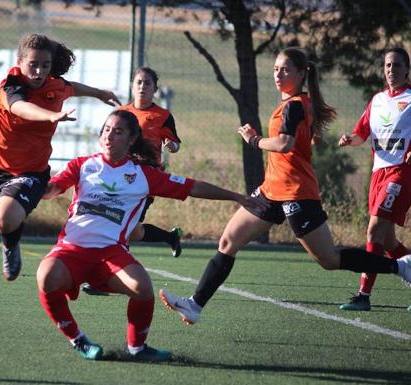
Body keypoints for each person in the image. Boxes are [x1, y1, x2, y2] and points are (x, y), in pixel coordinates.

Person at [158, 47, 411, 325]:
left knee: (328, 259)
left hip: (296, 192)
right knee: (228, 241)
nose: (279, 74)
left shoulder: (294, 105)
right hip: (271, 190)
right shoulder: (297, 103)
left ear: (302, 74)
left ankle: (398, 266)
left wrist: (253, 140)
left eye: (286, 69)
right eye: (276, 68)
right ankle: (195, 304)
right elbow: (302, 139)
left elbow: (284, 143)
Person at [36, 110, 268, 361]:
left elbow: (192, 186)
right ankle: (78, 340)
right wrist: (31, 183)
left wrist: (236, 196)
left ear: (131, 139)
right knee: (45, 275)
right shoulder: (82, 165)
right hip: (72, 248)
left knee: (142, 287)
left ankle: (137, 348)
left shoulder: (143, 175)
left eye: (118, 131)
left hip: (110, 253)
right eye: (106, 130)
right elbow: (51, 189)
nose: (109, 136)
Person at [0, 33, 120, 282]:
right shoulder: (11, 86)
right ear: (19, 62)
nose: (39, 71)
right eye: (33, 64)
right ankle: (10, 228)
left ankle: (10, 246)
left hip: (30, 170)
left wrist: (98, 93)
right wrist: (50, 116)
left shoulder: (55, 86)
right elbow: (20, 107)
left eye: (45, 65)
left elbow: (71, 88)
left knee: (4, 220)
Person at [338, 47, 411, 311]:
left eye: (398, 65)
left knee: (373, 230)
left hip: (400, 171)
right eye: (388, 65)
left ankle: (363, 295)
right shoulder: (378, 100)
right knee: (388, 240)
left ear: (407, 70)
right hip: (378, 172)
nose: (392, 70)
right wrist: (350, 140)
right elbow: (361, 133)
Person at [120, 67, 183, 257]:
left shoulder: (162, 116)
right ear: (132, 86)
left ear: (155, 89)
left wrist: (172, 146)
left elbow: (175, 143)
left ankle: (113, 272)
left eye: (147, 83)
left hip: (147, 177)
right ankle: (170, 238)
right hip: (120, 176)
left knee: (125, 224)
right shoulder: (122, 113)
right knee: (129, 228)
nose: (142, 86)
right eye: (138, 82)